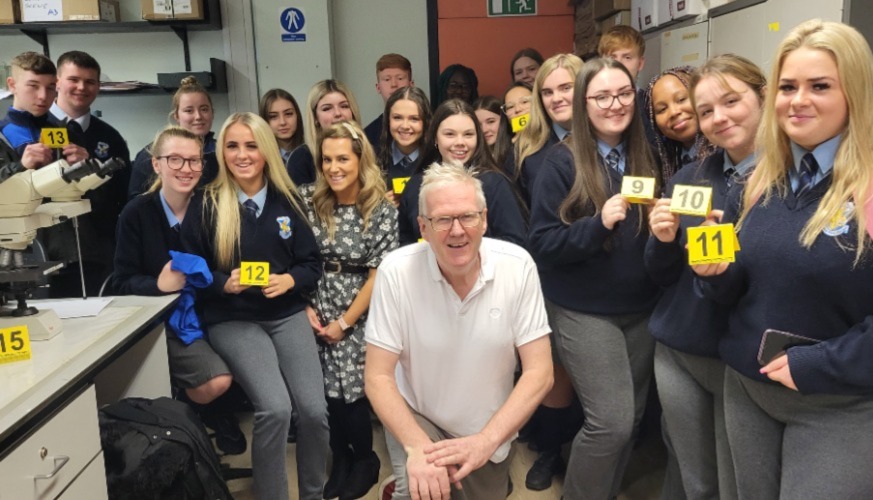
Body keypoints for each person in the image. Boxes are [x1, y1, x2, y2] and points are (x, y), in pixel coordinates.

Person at [693, 19, 873, 499]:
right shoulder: (759, 181)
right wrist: (716, 275)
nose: (798, 100)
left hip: (837, 405)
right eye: (788, 87)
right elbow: (739, 289)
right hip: (747, 390)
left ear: (854, 91)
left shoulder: (868, 185)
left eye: (820, 86)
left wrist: (818, 365)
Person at [365, 162, 554, 500]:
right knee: (419, 490)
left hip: (487, 427)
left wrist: (487, 441)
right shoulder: (396, 271)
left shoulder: (518, 265)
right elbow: (378, 377)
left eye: (467, 216)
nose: (457, 230)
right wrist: (419, 449)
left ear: (484, 219)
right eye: (442, 220)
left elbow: (540, 372)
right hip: (420, 416)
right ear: (422, 226)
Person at [528, 57, 660, 500]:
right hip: (585, 311)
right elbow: (543, 244)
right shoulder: (560, 163)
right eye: (601, 96)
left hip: (641, 308)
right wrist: (597, 225)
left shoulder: (646, 154)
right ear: (584, 105)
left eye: (623, 93)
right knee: (611, 423)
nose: (614, 104)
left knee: (633, 420)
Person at [181, 112, 328, 500]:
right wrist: (221, 282)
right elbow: (190, 266)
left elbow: (311, 264)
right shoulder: (207, 203)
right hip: (233, 318)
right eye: (232, 146)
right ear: (221, 151)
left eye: (251, 146)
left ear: (266, 151)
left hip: (285, 313)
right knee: (275, 409)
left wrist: (291, 280)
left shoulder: (289, 200)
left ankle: (313, 493)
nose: (242, 155)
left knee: (313, 410)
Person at [646, 53, 766, 500]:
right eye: (706, 111)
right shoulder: (688, 178)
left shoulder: (791, 181)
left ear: (762, 97)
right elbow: (658, 274)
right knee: (695, 479)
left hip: (741, 363)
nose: (719, 118)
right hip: (679, 350)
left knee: (735, 484)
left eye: (731, 101)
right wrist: (662, 238)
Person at [113, 125, 246, 456]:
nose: (186, 169)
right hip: (166, 322)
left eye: (194, 161)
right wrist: (157, 286)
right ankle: (184, 423)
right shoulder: (137, 213)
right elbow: (119, 283)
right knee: (218, 381)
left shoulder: (213, 208)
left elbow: (222, 267)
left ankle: (203, 419)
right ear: (156, 164)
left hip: (215, 312)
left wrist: (226, 281)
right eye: (175, 160)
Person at [301, 121, 398, 500]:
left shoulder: (379, 208)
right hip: (316, 301)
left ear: (361, 160)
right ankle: (340, 456)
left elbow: (379, 274)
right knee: (326, 392)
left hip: (361, 307)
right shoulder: (309, 199)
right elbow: (294, 257)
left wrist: (344, 322)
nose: (334, 167)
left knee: (353, 391)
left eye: (343, 158)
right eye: (327, 159)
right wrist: (307, 308)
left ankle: (365, 460)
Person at [41, 50, 131, 298]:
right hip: (45, 253)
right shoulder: (31, 130)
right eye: (74, 79)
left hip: (98, 255)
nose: (82, 87)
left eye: (90, 82)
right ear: (57, 81)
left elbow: (123, 196)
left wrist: (92, 171)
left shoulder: (110, 138)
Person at [397, 99, 526, 247]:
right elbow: (404, 243)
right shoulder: (416, 186)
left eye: (468, 134)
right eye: (450, 134)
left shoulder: (494, 184)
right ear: (435, 138)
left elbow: (515, 243)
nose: (460, 142)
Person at [0, 51, 88, 181]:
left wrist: (86, 169)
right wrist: (21, 166)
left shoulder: (67, 133)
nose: (43, 96)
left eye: (50, 87)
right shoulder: (2, 133)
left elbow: (93, 195)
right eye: (33, 86)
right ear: (12, 85)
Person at [129, 76, 219, 198]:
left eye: (204, 109)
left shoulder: (223, 152)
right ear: (176, 115)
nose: (198, 116)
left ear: (212, 113)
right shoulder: (151, 154)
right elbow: (136, 203)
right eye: (189, 110)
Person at [513, 53, 583, 206]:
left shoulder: (607, 140)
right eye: (547, 92)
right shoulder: (526, 148)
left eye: (566, 88)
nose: (556, 99)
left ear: (585, 88)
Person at [646, 67, 717, 187]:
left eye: (681, 99)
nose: (674, 112)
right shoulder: (667, 165)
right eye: (662, 109)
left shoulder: (727, 153)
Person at [287, 79, 363, 186]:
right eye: (327, 108)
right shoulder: (301, 159)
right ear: (315, 117)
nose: (337, 113)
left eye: (344, 106)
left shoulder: (369, 150)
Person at [598, 25, 656, 144]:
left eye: (627, 57)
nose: (618, 64)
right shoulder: (591, 103)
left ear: (640, 63)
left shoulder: (651, 106)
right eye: (612, 57)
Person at [377, 87, 432, 209]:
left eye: (414, 119)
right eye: (397, 118)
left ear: (425, 122)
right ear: (387, 121)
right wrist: (379, 207)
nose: (405, 126)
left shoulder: (437, 161)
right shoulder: (373, 161)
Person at [364, 53, 414, 153]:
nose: (394, 84)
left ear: (411, 85)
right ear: (378, 87)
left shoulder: (429, 126)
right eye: (387, 79)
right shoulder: (368, 135)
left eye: (400, 78)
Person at [259, 88, 304, 164]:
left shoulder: (312, 151)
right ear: (264, 120)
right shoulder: (260, 158)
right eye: (273, 116)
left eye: (288, 114)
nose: (282, 122)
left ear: (297, 115)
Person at [473, 96, 513, 176]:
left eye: (491, 122)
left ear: (503, 121)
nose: (484, 129)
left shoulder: (514, 155)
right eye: (478, 124)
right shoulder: (473, 157)